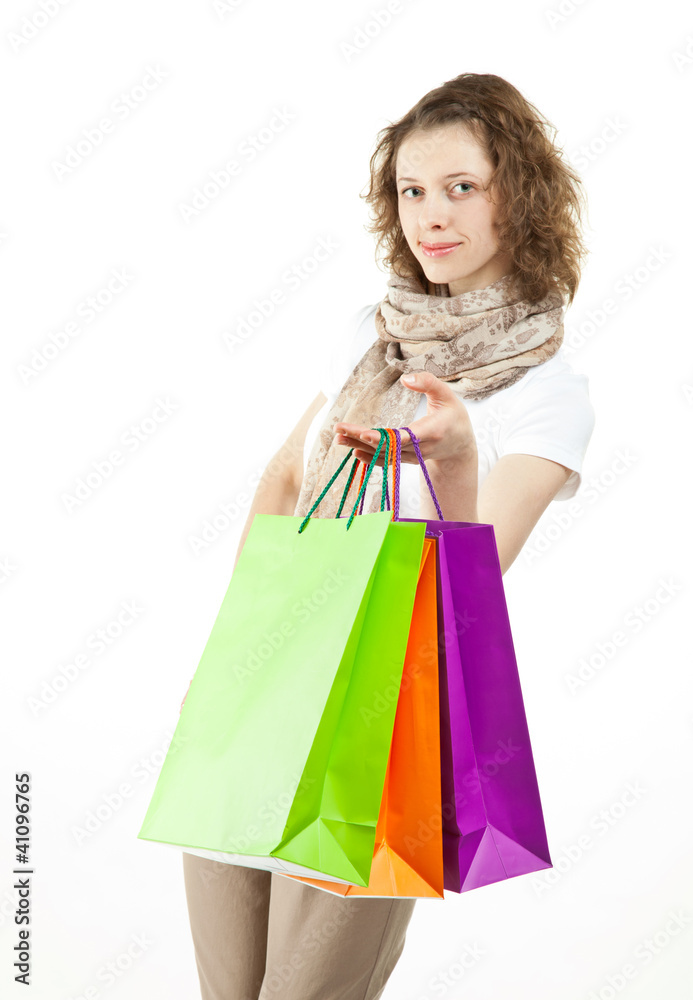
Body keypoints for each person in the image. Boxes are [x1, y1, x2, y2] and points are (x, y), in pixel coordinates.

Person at [180, 71, 596, 999]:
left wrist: (451, 464)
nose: (429, 216)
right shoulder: (370, 336)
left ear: (518, 197)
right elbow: (289, 475)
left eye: (460, 187)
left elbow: (475, 582)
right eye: (411, 190)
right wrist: (239, 652)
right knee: (223, 987)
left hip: (384, 725)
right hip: (268, 683)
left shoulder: (546, 394)